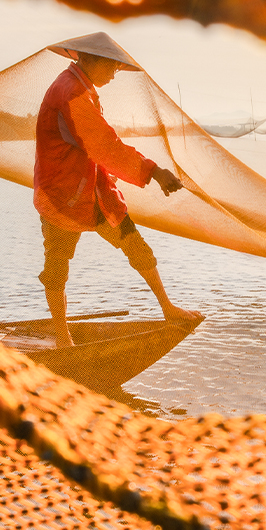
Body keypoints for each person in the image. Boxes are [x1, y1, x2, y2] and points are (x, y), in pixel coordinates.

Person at [33, 34, 202, 348]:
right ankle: (62, 337)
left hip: (93, 192)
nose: (113, 75)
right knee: (57, 266)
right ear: (90, 59)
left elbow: (100, 148)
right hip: (61, 194)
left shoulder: (82, 88)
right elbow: (103, 146)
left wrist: (151, 172)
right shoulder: (70, 92)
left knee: (135, 245)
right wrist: (153, 171)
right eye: (112, 67)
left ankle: (168, 309)